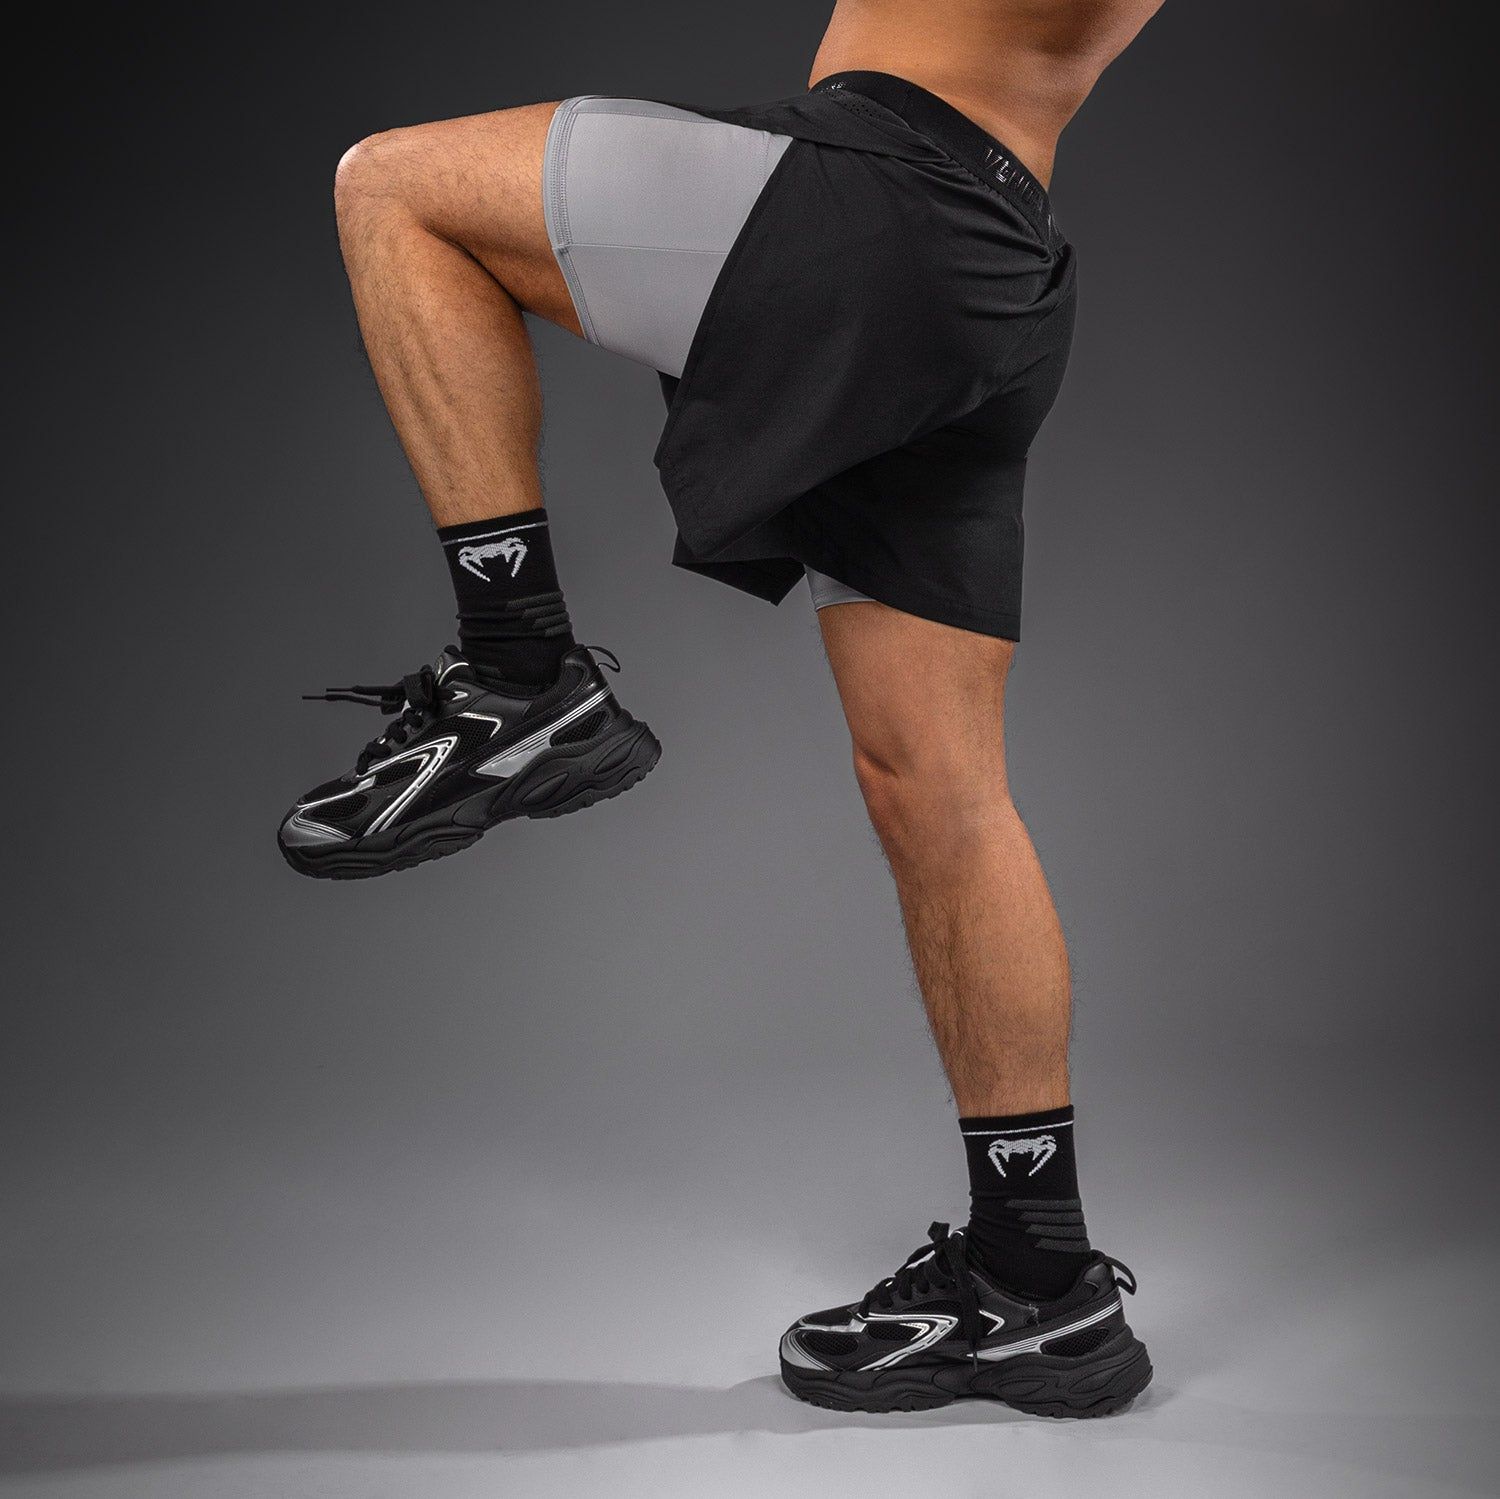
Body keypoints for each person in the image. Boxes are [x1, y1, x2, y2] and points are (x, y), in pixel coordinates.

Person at [280, 0, 1165, 1416]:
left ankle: (517, 669)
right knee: (938, 791)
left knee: (394, 189)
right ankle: (1037, 1284)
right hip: (990, 266)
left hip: (883, 199)